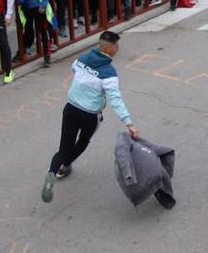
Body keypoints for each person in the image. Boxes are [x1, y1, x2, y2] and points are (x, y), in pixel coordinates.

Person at [42, 30, 138, 203]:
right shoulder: (108, 72)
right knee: (84, 140)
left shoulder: (82, 59)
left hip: (70, 108)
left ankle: (53, 171)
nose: (118, 49)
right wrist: (128, 123)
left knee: (64, 147)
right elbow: (115, 100)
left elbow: (73, 68)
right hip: (89, 115)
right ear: (109, 49)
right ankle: (65, 164)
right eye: (117, 46)